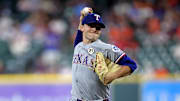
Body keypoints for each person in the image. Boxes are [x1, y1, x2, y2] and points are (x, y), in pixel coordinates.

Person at [70, 8, 137, 101]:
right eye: (91, 25)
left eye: (98, 27)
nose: (94, 29)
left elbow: (132, 65)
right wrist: (82, 18)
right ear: (83, 27)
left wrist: (111, 76)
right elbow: (80, 33)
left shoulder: (105, 48)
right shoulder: (78, 45)